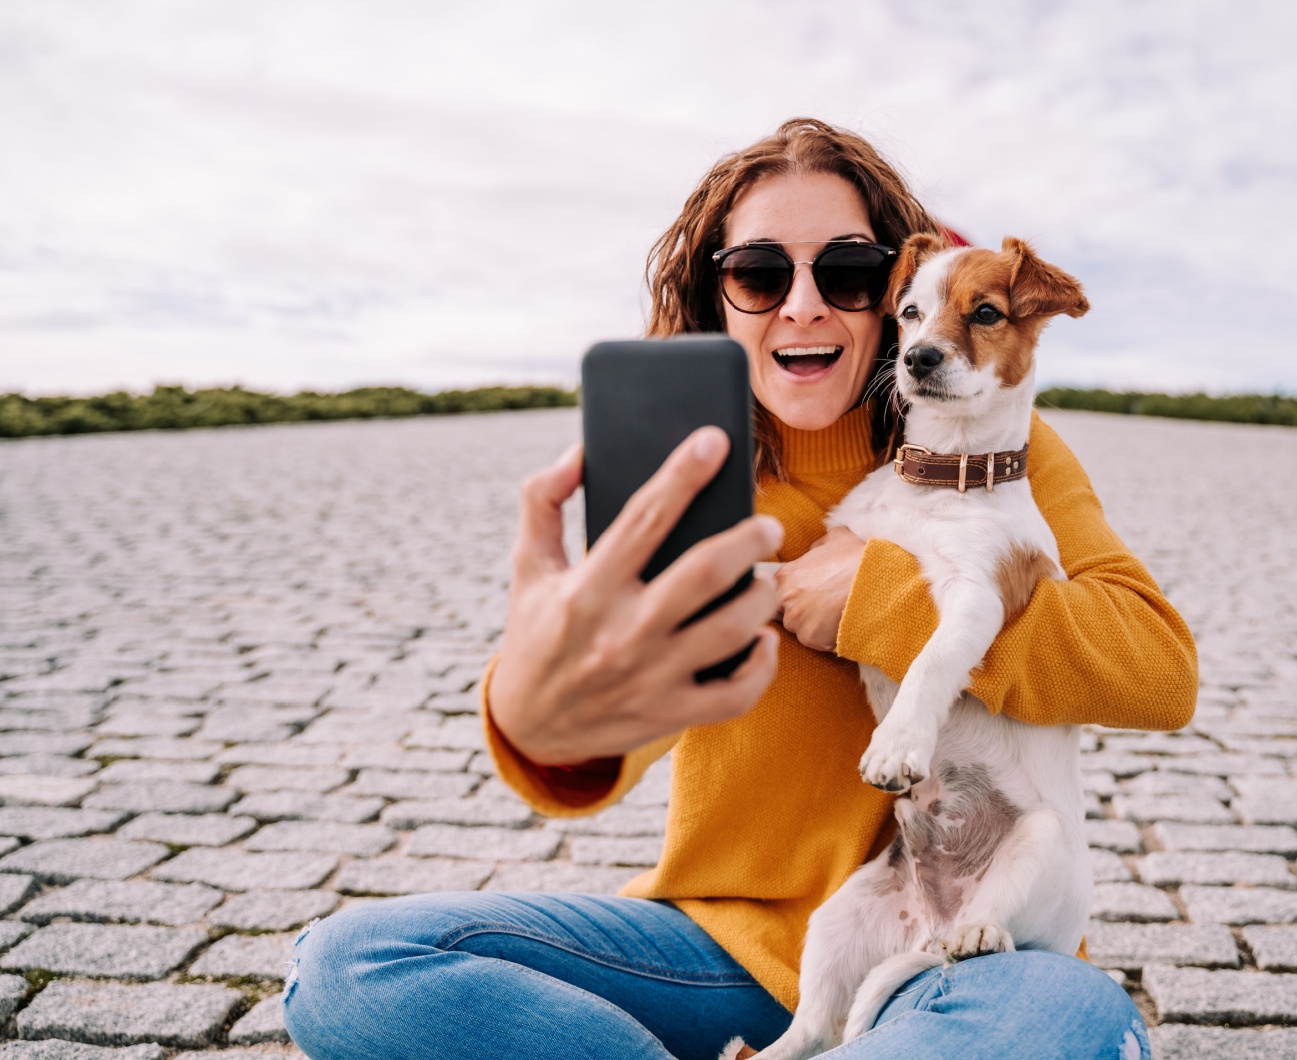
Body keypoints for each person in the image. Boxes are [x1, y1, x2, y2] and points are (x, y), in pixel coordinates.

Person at [283, 117, 1197, 1060]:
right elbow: (621, 714)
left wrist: (881, 599)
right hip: (719, 952)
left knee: (1060, 1010)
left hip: (967, 965)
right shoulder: (696, 474)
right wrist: (537, 714)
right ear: (719, 296)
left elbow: (1159, 670)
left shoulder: (995, 449)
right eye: (761, 274)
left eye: (844, 274)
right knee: (350, 966)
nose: (802, 305)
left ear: (892, 295)